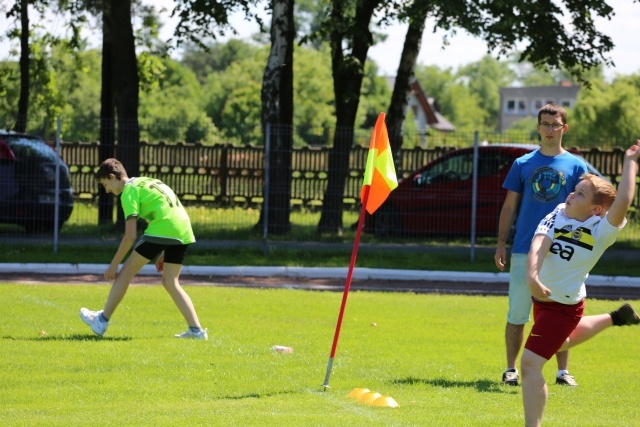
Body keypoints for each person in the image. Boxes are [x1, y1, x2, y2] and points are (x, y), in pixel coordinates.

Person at [521, 139, 640, 427]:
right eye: (575, 190)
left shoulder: (602, 230)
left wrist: (631, 163)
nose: (571, 195)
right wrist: (532, 276)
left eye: (580, 194)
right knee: (560, 343)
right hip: (543, 300)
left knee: (530, 364)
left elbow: (622, 201)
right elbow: (539, 244)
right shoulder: (559, 212)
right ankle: (615, 318)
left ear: (596, 209)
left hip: (563, 306)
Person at [495, 103, 589, 386]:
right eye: (545, 124)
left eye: (555, 124)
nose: (550, 129)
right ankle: (511, 369)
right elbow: (509, 206)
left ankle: (563, 372)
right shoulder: (522, 164)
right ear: (538, 128)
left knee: (560, 313)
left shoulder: (576, 165)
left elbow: (585, 208)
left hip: (563, 252)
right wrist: (501, 243)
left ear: (564, 128)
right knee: (518, 312)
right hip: (525, 248)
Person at [79, 158, 207, 339]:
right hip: (183, 229)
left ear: (112, 176)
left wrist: (113, 265)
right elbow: (165, 208)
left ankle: (101, 320)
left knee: (125, 273)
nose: (107, 190)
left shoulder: (128, 191)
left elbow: (130, 236)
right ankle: (197, 331)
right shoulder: (146, 181)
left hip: (165, 228)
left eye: (106, 184)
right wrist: (165, 249)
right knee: (171, 281)